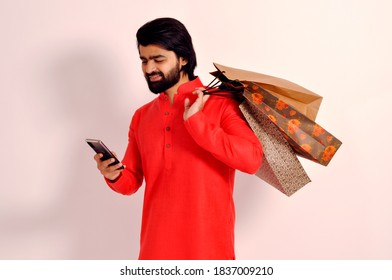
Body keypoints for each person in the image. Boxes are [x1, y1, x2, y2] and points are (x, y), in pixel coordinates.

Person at [94, 17, 263, 260]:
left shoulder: (221, 104)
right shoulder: (142, 116)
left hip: (209, 252)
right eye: (144, 60)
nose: (149, 68)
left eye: (158, 59)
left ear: (183, 58)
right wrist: (114, 175)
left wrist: (197, 122)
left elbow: (251, 160)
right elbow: (132, 181)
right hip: (154, 252)